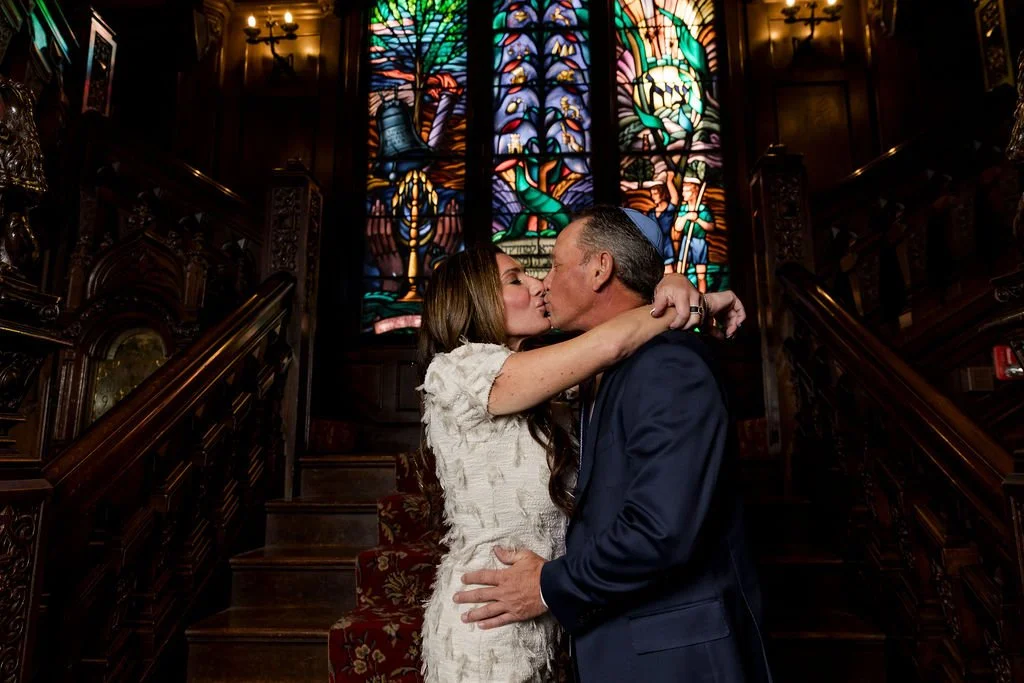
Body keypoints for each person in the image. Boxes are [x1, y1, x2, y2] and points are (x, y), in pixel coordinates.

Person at [453, 206, 772, 683]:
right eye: (521, 278)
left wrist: (545, 586)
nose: (543, 282)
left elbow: (659, 530)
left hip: (672, 654)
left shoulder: (667, 367)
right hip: (594, 634)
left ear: (601, 268)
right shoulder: (576, 371)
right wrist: (692, 300)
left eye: (555, 265)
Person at [675, 179, 714, 292]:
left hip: (699, 242)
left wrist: (698, 219)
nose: (683, 194)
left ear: (694, 192)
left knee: (701, 274)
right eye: (683, 191)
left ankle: (702, 298)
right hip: (686, 241)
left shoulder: (702, 210)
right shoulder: (683, 209)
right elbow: (678, 227)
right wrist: (687, 216)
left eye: (686, 191)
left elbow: (711, 227)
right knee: (681, 271)